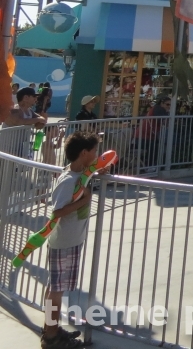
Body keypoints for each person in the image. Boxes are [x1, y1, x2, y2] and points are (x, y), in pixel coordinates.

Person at [41, 131, 105, 349]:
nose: (97, 154)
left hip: (71, 240)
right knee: (56, 291)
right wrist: (85, 200)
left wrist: (99, 169)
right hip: (64, 242)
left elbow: (91, 171)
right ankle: (51, 337)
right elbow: (57, 212)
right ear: (84, 153)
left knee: (55, 288)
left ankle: (51, 328)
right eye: (95, 151)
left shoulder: (80, 173)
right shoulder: (69, 180)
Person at [4, 88, 47, 158]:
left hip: (21, 147)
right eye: (34, 96)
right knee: (7, 168)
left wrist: (39, 121)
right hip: (8, 148)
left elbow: (42, 121)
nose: (36, 99)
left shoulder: (29, 111)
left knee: (22, 168)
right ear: (25, 98)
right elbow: (19, 121)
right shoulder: (15, 109)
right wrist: (37, 120)